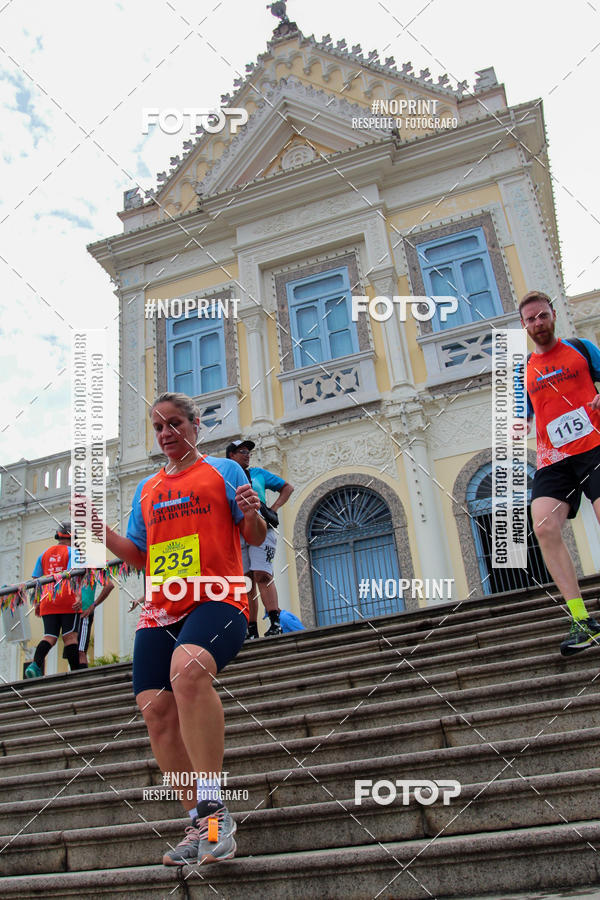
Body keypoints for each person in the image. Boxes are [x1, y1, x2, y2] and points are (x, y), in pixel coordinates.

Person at [78, 392, 265, 866]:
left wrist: (249, 512)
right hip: (162, 607)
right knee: (155, 711)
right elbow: (140, 556)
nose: (166, 433)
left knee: (188, 670)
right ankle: (199, 824)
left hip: (219, 596)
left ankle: (217, 816)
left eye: (175, 423)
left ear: (195, 426)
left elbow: (254, 537)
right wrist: (101, 533)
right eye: (159, 427)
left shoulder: (226, 472)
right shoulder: (147, 489)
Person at [520, 290, 600, 655]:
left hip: (595, 448)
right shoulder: (524, 370)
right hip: (554, 460)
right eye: (530, 319)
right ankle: (582, 620)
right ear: (524, 326)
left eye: (542, 315)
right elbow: (522, 417)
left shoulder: (580, 349)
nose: (538, 323)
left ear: (553, 315)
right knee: (544, 526)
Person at [225, 439, 294, 639]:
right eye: (242, 451)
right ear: (231, 455)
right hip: (237, 531)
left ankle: (275, 622)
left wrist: (273, 509)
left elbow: (287, 487)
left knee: (262, 575)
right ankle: (251, 629)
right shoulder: (224, 476)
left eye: (248, 451)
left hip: (260, 528)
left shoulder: (258, 474)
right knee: (246, 581)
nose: (247, 454)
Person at [25, 522, 81, 677]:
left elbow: (36, 580)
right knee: (70, 637)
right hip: (67, 599)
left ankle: (35, 665)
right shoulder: (73, 552)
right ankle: (77, 674)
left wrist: (37, 603)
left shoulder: (44, 554)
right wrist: (78, 597)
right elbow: (72, 576)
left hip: (47, 600)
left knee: (49, 636)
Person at [76, 577, 115, 667]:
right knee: (73, 651)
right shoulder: (72, 566)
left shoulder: (93, 568)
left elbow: (109, 585)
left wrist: (93, 605)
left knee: (80, 651)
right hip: (71, 614)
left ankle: (81, 678)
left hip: (84, 613)